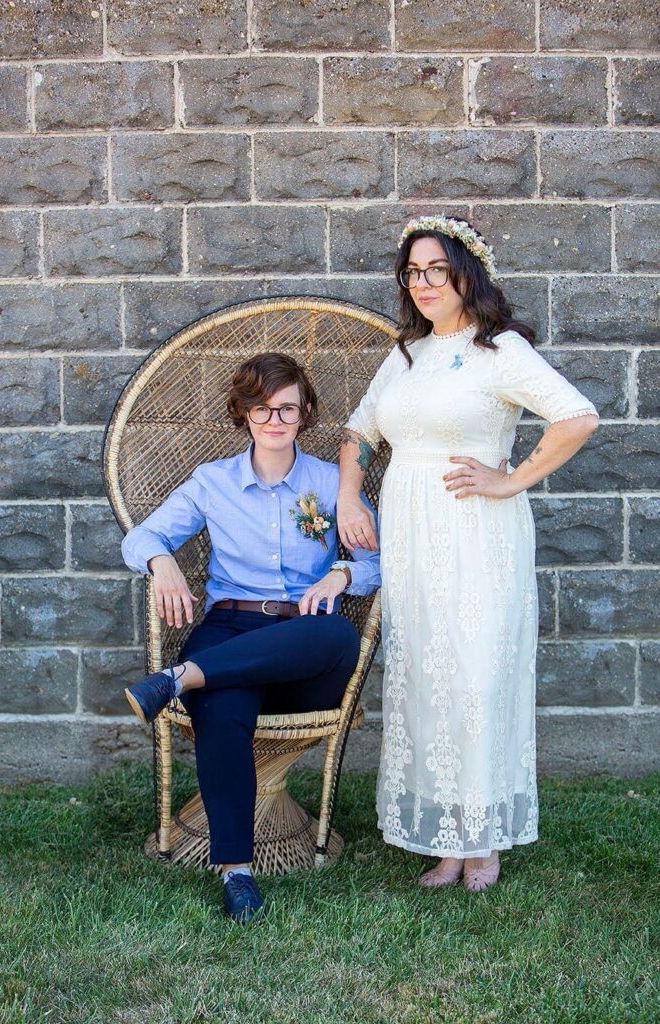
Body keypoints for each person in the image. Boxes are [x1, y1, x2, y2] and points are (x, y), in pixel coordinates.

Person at [337, 215, 599, 892]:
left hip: (479, 534)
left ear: (464, 273)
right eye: (412, 273)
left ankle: (484, 841)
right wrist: (348, 494)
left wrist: (509, 479)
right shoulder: (405, 356)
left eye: (435, 270)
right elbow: (358, 430)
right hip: (413, 537)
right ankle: (446, 839)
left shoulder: (499, 350)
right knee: (431, 679)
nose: (423, 284)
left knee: (478, 677)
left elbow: (577, 417)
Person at [121, 352, 380, 923]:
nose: (275, 419)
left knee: (337, 635)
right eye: (262, 408)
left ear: (306, 412)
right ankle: (237, 873)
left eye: (287, 407)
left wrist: (341, 573)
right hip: (229, 625)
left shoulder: (330, 483)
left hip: (303, 645)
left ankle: (178, 678)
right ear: (243, 414)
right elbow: (141, 537)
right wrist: (161, 561)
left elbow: (377, 564)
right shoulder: (212, 483)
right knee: (221, 705)